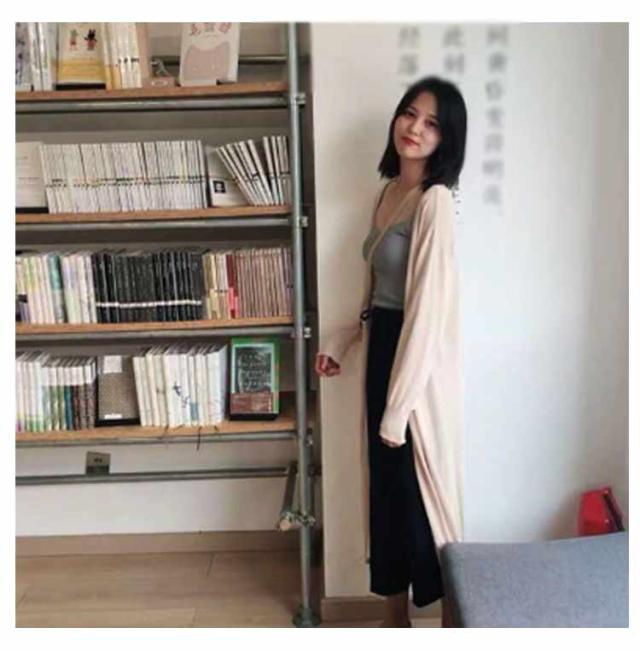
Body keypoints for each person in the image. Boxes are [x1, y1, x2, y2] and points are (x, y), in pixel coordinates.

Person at [315, 76, 467, 628]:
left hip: (416, 369)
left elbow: (427, 313)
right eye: (410, 114)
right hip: (382, 347)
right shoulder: (386, 194)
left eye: (432, 123)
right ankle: (394, 618)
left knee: (422, 495)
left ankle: (453, 622)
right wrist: (343, 341)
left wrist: (399, 408)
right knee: (385, 493)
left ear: (446, 139)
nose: (415, 128)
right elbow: (375, 294)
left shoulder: (436, 202)